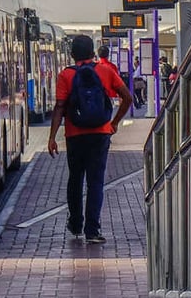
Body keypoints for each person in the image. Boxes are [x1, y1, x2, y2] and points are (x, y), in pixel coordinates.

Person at [48, 35, 133, 244]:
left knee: (75, 178)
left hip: (75, 135)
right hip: (100, 133)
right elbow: (128, 98)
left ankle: (75, 223)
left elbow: (59, 107)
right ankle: (92, 230)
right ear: (92, 52)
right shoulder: (105, 71)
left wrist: (52, 137)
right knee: (96, 182)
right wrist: (114, 122)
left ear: (72, 54)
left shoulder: (65, 75)